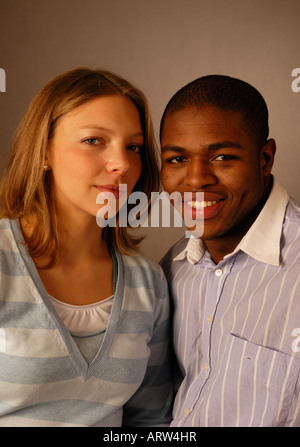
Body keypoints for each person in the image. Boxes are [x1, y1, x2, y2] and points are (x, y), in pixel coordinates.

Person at [0, 67, 172, 427]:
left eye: (134, 147)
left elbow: (150, 420)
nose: (122, 164)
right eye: (94, 140)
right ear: (43, 150)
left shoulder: (149, 283)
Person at [160, 74, 300, 427]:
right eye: (176, 159)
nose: (195, 179)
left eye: (222, 157)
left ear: (265, 158)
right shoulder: (172, 267)